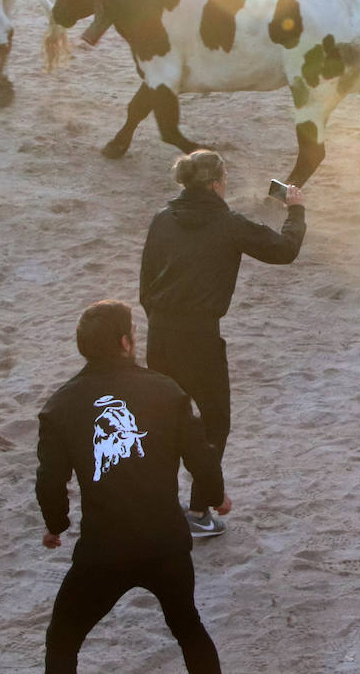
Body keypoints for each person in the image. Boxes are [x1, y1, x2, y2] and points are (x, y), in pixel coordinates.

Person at [37, 300, 230, 673]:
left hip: (104, 551)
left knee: (62, 639)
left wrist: (56, 524)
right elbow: (201, 456)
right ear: (126, 342)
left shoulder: (59, 407)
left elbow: (49, 480)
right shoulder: (167, 391)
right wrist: (216, 495)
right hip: (165, 544)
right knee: (188, 627)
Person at [139, 150, 304, 533]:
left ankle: (158, 505)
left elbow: (146, 283)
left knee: (164, 421)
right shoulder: (228, 223)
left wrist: (158, 320)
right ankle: (198, 512)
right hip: (200, 337)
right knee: (214, 423)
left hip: (159, 334)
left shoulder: (162, 218)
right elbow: (284, 251)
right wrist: (296, 211)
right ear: (215, 184)